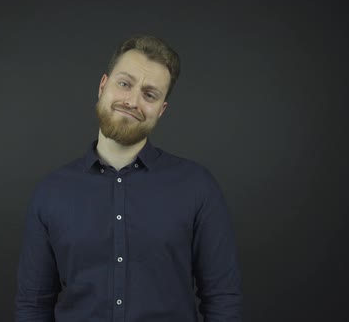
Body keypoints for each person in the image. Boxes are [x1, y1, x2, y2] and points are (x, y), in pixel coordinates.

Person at [15, 35, 243, 322]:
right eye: (125, 83)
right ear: (103, 86)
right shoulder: (50, 193)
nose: (132, 101)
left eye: (150, 94)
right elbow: (33, 305)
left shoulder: (198, 186)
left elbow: (222, 299)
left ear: (161, 110)